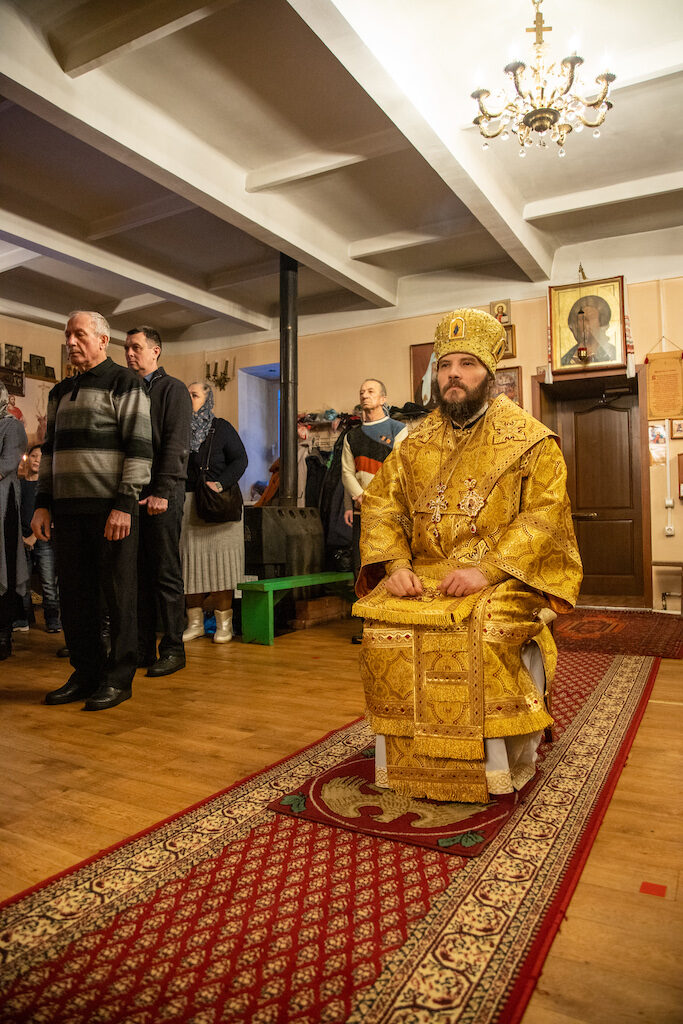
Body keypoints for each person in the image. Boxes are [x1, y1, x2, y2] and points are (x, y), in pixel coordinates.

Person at [353, 308, 583, 804]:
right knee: (380, 623)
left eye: (467, 364)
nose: (453, 374)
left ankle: (494, 765)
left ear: (489, 373)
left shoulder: (530, 440)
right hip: (423, 574)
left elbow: (544, 516)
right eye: (445, 365)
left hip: (504, 577)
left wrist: (487, 571)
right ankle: (407, 762)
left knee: (482, 626)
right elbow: (381, 505)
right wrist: (395, 566)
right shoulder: (414, 443)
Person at [32, 311, 152, 710]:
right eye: (67, 334)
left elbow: (139, 447)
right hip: (66, 512)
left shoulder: (125, 382)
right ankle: (85, 673)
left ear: (102, 340)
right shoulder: (59, 392)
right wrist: (42, 504)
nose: (70, 341)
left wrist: (125, 504)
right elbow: (49, 452)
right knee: (75, 597)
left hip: (109, 510)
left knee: (118, 597)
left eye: (79, 334)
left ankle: (119, 679)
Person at [124, 326, 192, 677]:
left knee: (165, 571)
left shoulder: (172, 389)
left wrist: (163, 491)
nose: (129, 353)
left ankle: (173, 648)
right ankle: (142, 648)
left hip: (163, 493)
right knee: (137, 573)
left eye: (136, 347)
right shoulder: (127, 390)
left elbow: (177, 444)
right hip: (132, 494)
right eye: (126, 348)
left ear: (156, 351)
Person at [180, 382, 247, 644]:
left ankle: (224, 625)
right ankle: (195, 624)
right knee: (190, 566)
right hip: (188, 506)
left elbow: (240, 459)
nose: (189, 398)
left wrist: (220, 484)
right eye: (187, 394)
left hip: (220, 507)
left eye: (194, 395)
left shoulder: (222, 428)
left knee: (223, 568)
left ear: (208, 400)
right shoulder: (178, 429)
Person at [341, 379, 407, 642]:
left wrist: (379, 498)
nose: (364, 395)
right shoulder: (351, 436)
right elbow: (347, 472)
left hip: (391, 512)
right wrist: (359, 497)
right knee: (361, 567)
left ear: (383, 398)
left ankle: (390, 621)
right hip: (363, 513)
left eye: (371, 391)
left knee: (390, 563)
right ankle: (368, 624)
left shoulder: (398, 430)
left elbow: (400, 469)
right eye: (362, 392)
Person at [16, 444, 61, 633]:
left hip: (43, 539)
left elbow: (49, 514)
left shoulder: (46, 488)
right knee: (22, 583)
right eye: (33, 456)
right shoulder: (19, 484)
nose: (36, 460)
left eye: (40, 457)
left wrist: (33, 538)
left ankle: (52, 620)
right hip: (21, 541)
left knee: (48, 582)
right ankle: (25, 618)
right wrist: (22, 538)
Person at [0, 384, 29, 660]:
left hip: (3, 508)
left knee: (4, 567)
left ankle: (3, 634)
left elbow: (7, 463)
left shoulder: (12, 426)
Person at [561, 294, 616, 366]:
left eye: (591, 317)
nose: (586, 323)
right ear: (576, 325)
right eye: (582, 319)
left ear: (601, 322)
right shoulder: (568, 359)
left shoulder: (613, 353)